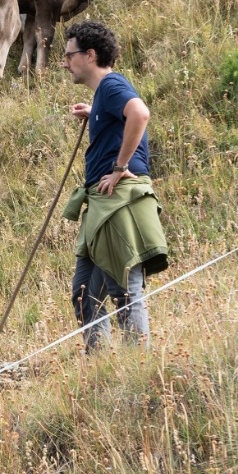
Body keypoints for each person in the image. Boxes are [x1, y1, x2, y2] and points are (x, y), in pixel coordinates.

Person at [60, 20, 168, 349]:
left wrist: (120, 167)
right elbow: (123, 116)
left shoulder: (111, 85)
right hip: (104, 204)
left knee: (124, 289)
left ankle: (139, 370)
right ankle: (101, 369)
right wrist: (97, 113)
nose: (65, 63)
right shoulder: (104, 96)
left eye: (69, 56)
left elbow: (139, 113)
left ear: (89, 55)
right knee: (84, 294)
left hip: (118, 200)